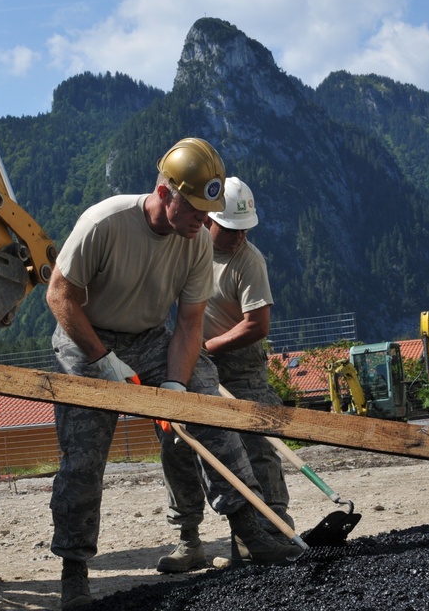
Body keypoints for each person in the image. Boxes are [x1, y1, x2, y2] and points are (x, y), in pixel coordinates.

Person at [44, 138, 303, 609]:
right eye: (196, 212)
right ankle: (74, 570)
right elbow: (59, 296)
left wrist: (176, 386)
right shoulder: (105, 222)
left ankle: (250, 530)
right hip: (85, 338)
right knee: (83, 460)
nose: (204, 224)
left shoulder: (195, 241)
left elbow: (188, 323)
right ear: (166, 193)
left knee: (210, 408)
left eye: (209, 215)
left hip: (149, 339)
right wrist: (102, 359)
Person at [159, 177, 294, 572]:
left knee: (257, 447)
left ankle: (274, 530)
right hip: (189, 361)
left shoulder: (249, 261)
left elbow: (257, 325)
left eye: (245, 229)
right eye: (232, 229)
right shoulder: (183, 249)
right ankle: (189, 540)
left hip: (241, 368)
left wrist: (208, 348)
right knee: (178, 445)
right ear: (207, 222)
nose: (240, 236)